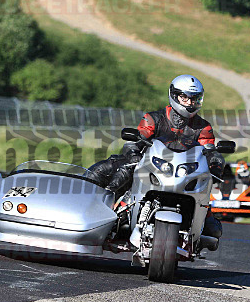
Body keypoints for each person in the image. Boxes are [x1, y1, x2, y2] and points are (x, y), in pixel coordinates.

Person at [87, 74, 225, 241]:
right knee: (110, 168)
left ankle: (203, 216)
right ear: (174, 96)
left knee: (212, 224)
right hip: (152, 165)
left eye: (194, 99)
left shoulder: (203, 127)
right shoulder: (154, 118)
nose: (190, 103)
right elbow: (136, 139)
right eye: (184, 98)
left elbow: (209, 150)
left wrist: (216, 162)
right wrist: (133, 153)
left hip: (185, 172)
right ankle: (107, 206)